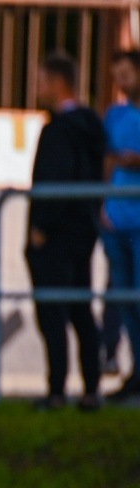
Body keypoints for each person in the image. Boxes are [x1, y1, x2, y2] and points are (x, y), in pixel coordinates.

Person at [28, 52, 107, 411]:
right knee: (80, 309)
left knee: (54, 313)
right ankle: (92, 388)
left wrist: (41, 226)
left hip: (56, 236)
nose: (38, 87)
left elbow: (55, 179)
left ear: (58, 83)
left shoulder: (60, 131)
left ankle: (57, 390)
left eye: (42, 80)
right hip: (84, 231)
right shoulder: (91, 127)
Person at [104, 51, 140, 404]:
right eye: (118, 75)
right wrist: (102, 203)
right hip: (116, 219)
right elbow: (105, 159)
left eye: (127, 73)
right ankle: (136, 372)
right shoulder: (115, 115)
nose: (122, 81)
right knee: (125, 300)